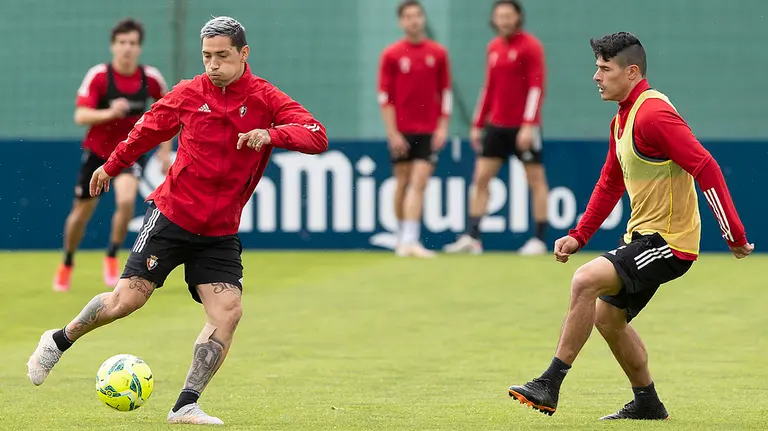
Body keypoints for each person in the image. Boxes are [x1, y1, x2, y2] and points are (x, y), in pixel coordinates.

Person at [28, 16, 328, 425]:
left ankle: (185, 404)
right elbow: (147, 130)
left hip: (220, 231)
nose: (213, 65)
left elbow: (316, 133)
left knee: (228, 312)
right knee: (125, 301)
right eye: (207, 56)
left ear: (244, 54)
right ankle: (58, 341)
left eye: (222, 56)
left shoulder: (264, 98)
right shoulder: (189, 93)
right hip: (171, 217)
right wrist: (112, 166)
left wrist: (272, 134)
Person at [507, 32, 754, 420]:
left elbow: (704, 166)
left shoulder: (654, 114)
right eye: (597, 68)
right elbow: (610, 182)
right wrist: (578, 234)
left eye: (604, 69)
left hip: (671, 243)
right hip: (646, 238)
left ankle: (549, 384)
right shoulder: (623, 117)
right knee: (608, 319)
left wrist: (734, 234)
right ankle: (648, 403)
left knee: (585, 280)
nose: (596, 77)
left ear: (632, 72)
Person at [54, 18, 172, 292]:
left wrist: (165, 152)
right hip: (97, 154)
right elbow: (80, 115)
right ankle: (67, 262)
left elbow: (170, 114)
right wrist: (109, 112)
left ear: (139, 48)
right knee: (81, 212)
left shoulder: (151, 78)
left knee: (127, 200)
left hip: (128, 154)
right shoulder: (99, 76)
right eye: (122, 43)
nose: (127, 49)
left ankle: (111, 256)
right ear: (113, 46)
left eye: (132, 43)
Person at [444, 0, 548, 256]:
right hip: (496, 127)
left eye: (508, 15)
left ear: (517, 17)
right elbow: (488, 88)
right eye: (499, 15)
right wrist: (477, 124)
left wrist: (528, 124)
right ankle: (473, 237)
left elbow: (536, 87)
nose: (504, 20)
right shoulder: (493, 48)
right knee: (480, 179)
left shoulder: (531, 46)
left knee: (535, 181)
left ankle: (538, 239)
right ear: (494, 19)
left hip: (523, 127)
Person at [378, 0, 452, 257]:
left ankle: (411, 239)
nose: (414, 20)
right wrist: (392, 133)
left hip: (428, 130)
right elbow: (384, 97)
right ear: (402, 22)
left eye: (417, 15)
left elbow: (446, 92)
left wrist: (442, 127)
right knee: (402, 183)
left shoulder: (438, 53)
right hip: (401, 130)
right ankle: (401, 237)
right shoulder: (392, 54)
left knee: (418, 183)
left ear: (423, 19)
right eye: (408, 16)